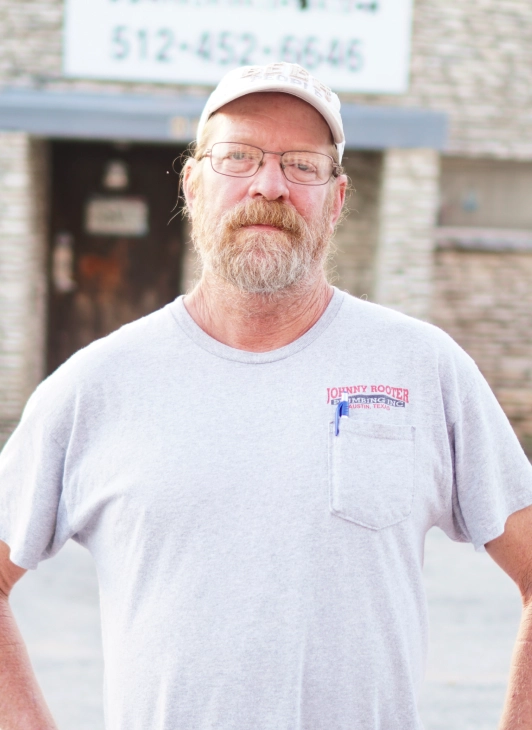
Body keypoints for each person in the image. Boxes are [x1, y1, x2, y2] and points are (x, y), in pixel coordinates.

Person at [1, 62, 532, 730]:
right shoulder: (96, 385)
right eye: (238, 157)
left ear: (337, 200)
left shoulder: (423, 369)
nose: (270, 185)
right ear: (192, 186)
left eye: (303, 165)